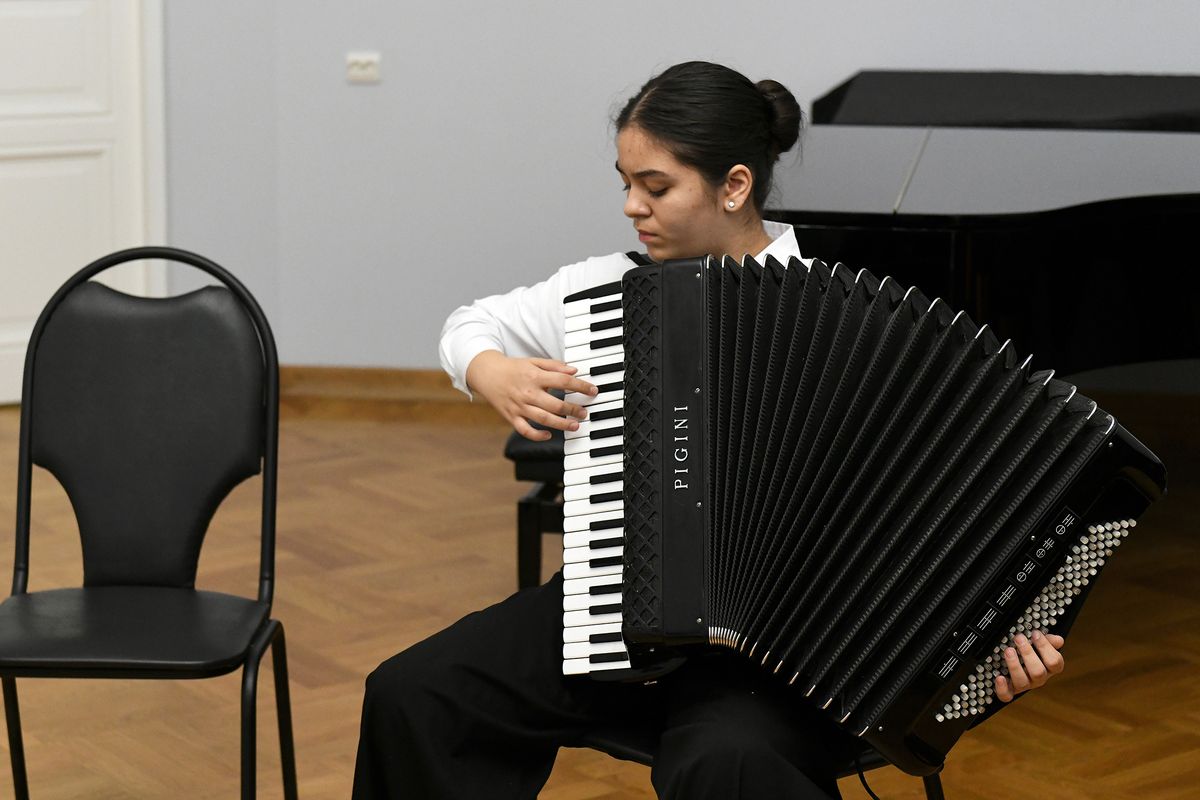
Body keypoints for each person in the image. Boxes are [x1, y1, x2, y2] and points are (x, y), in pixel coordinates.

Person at [352, 61, 1066, 799]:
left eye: (656, 187)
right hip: (615, 602)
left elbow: (968, 502)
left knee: (724, 763)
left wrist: (1001, 640)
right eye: (626, 183)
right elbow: (470, 326)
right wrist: (491, 371)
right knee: (415, 692)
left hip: (778, 662)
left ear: (734, 186)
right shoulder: (604, 290)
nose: (632, 206)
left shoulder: (853, 320)